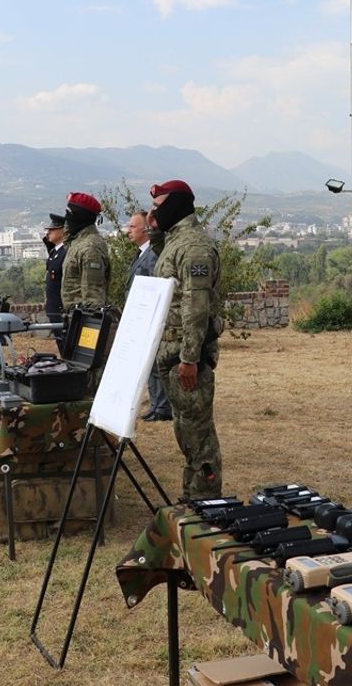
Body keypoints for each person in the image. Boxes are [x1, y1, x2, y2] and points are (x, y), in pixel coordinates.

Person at [147, 179, 223, 500]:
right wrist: (154, 229)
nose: (153, 212)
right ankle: (192, 498)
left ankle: (206, 502)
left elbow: (195, 307)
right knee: (184, 430)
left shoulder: (193, 248)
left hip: (184, 356)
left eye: (158, 205)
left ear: (176, 204)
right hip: (170, 353)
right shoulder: (174, 243)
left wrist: (190, 359)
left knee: (199, 435)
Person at [126, 210, 173, 421]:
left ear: (145, 229)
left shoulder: (153, 254)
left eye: (132, 227)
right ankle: (156, 405)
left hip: (149, 318)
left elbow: (155, 287)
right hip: (140, 318)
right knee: (148, 365)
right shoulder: (141, 253)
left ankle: (162, 407)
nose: (128, 231)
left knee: (155, 365)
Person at [60, 192, 110, 309]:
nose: (66, 217)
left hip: (82, 319)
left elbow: (93, 298)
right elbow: (67, 238)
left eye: (69, 213)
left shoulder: (90, 248)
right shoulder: (77, 241)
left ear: (80, 216)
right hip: (74, 316)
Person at [42, 211, 67, 351]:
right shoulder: (55, 252)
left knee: (65, 343)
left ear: (62, 231)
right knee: (59, 342)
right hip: (53, 307)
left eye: (52, 229)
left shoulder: (65, 252)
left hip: (60, 307)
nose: (48, 232)